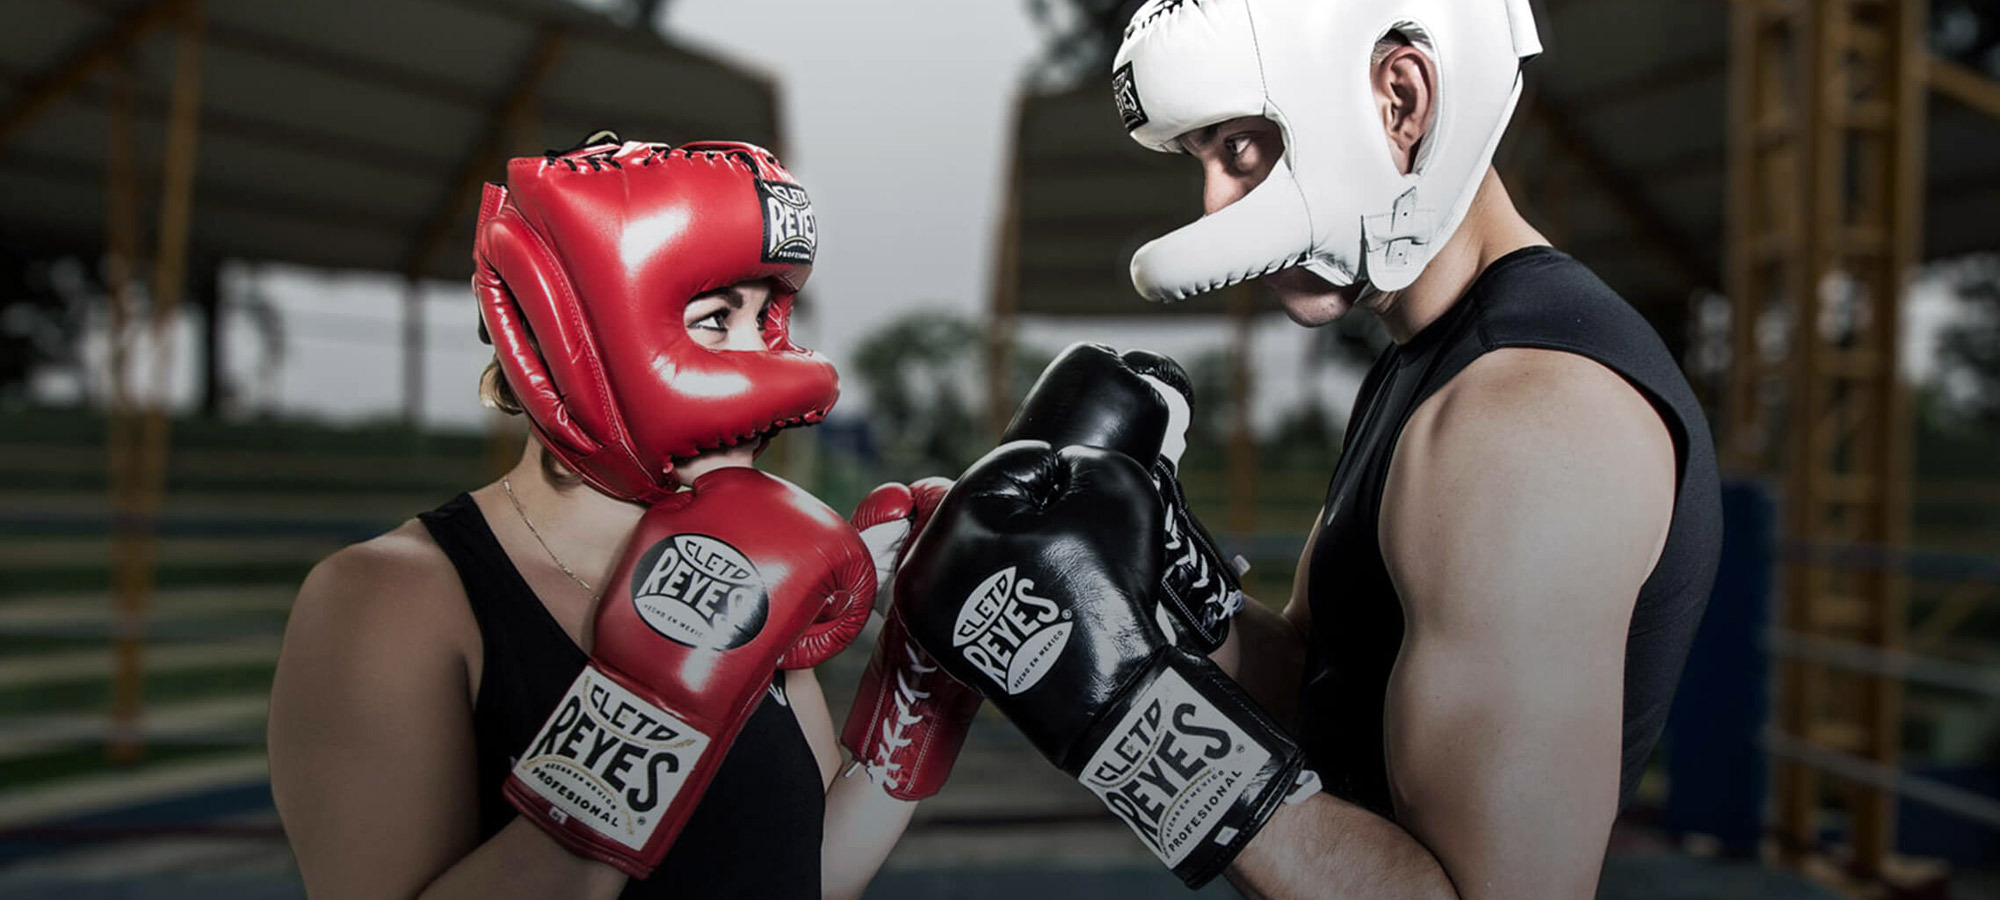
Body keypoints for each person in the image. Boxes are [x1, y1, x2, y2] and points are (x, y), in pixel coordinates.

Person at [886, 0, 1724, 897]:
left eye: (1242, 148)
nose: (1213, 203)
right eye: (1201, 159)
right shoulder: (1439, 363)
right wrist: (1149, 569)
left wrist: (1133, 718)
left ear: (1401, 101)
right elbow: (1319, 684)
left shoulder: (1529, 418)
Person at [268, 136, 933, 899]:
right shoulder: (389, 599)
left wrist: (918, 687)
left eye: (766, 320)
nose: (764, 360)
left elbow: (809, 873)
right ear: (572, 338)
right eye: (716, 319)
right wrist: (636, 718)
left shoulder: (744, 566)